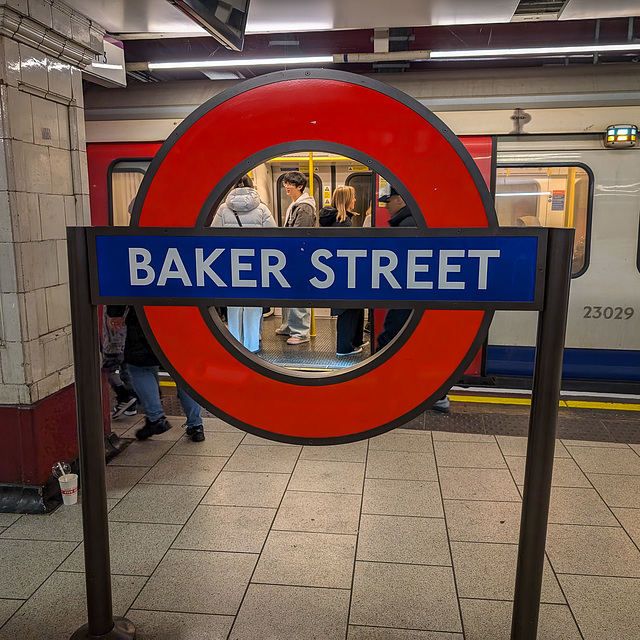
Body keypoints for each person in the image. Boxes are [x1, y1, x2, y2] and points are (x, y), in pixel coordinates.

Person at [376, 185, 450, 413]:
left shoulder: (407, 226)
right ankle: (435, 394)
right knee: (420, 345)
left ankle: (388, 392)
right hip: (421, 297)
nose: (386, 206)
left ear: (400, 200)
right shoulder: (419, 221)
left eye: (388, 201)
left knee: (390, 340)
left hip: (408, 299)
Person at [105, 306, 206, 441]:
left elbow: (125, 284)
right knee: (183, 372)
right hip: (182, 317)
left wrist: (115, 312)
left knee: (140, 367)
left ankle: (155, 418)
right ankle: (196, 425)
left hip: (145, 319)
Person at [212, 175, 276, 353]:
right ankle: (252, 345)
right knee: (253, 306)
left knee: (233, 305)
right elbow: (274, 237)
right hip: (256, 264)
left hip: (231, 264)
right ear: (252, 186)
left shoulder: (223, 209)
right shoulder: (262, 209)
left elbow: (213, 237)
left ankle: (234, 344)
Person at [319, 185, 368, 356]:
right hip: (344, 272)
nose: (355, 200)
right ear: (347, 200)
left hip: (334, 271)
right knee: (348, 308)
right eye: (353, 197)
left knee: (352, 307)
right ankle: (344, 347)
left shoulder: (333, 219)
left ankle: (354, 342)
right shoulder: (343, 221)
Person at [277, 170, 317, 345]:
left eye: (291, 183)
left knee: (298, 292)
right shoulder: (294, 204)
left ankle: (300, 332)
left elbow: (301, 235)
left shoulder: (305, 207)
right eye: (285, 182)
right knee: (288, 291)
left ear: (300, 187)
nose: (287, 186)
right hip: (290, 254)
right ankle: (288, 325)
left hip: (300, 256)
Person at [101, 307, 138, 419]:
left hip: (114, 343)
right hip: (127, 341)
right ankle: (131, 404)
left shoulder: (113, 307)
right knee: (126, 371)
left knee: (107, 370)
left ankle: (124, 397)